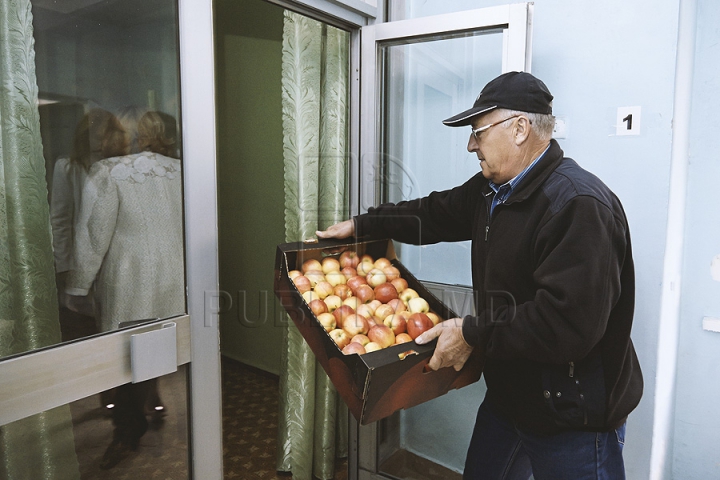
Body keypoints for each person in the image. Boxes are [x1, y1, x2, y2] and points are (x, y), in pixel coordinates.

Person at [317, 71, 643, 479]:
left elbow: (566, 324)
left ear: (520, 129)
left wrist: (471, 333)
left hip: (572, 418)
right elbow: (433, 214)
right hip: (510, 401)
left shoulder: (579, 205)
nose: (472, 144)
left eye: (479, 132)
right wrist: (365, 224)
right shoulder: (493, 189)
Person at [66, 106, 184, 468]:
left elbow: (94, 235)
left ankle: (127, 429)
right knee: (156, 346)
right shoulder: (183, 171)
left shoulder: (110, 172)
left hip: (130, 278)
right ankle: (149, 411)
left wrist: (77, 285)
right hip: (173, 276)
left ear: (139, 136)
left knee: (124, 355)